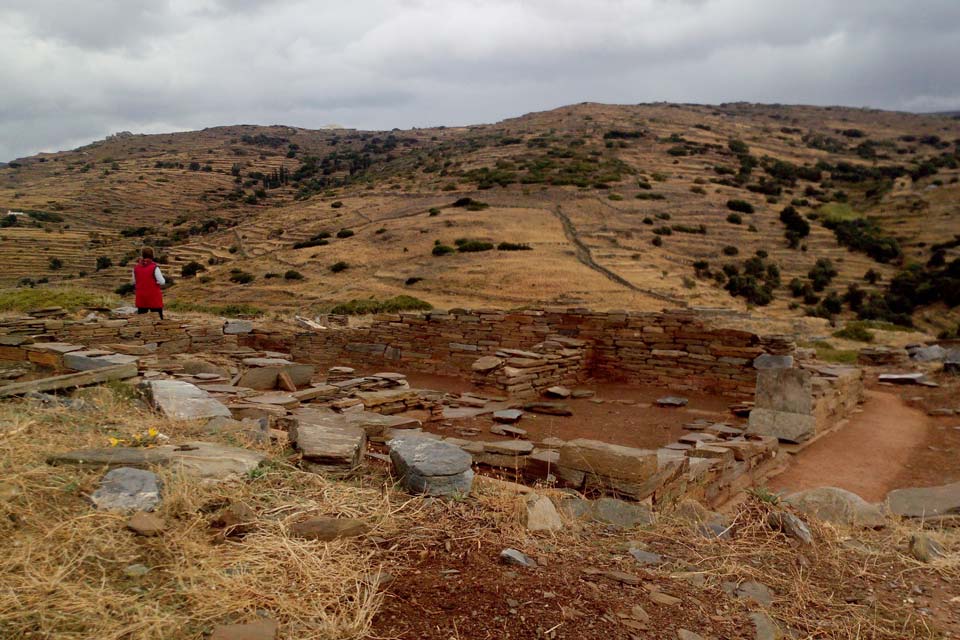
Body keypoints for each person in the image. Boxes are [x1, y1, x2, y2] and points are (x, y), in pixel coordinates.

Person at [132, 247, 166, 319]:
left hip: (141, 297)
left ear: (142, 255)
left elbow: (134, 281)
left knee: (141, 319)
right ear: (152, 255)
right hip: (154, 296)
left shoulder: (136, 268)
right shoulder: (154, 267)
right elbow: (162, 282)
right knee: (158, 318)